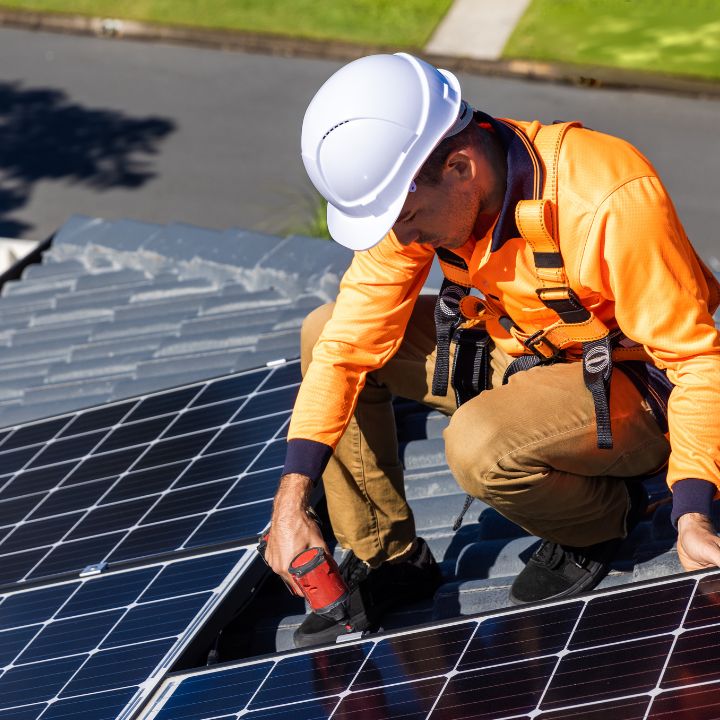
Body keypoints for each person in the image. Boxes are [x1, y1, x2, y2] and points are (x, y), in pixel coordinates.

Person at [265, 53, 720, 648]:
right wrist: (292, 499)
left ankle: (602, 518)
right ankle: (390, 557)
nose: (402, 239)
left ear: (460, 166)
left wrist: (691, 513)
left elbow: (694, 364)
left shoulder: (607, 193)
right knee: (323, 329)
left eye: (405, 217)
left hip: (630, 389)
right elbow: (346, 344)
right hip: (524, 353)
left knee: (478, 443)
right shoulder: (426, 192)